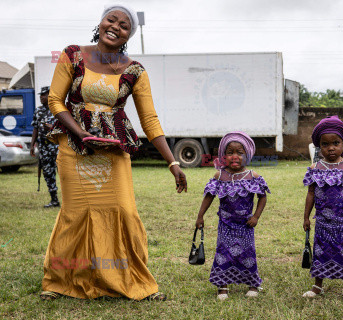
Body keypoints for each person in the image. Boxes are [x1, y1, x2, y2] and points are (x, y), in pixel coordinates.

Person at [40, 4, 187, 301]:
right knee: (75, 214)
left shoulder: (134, 71)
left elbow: (150, 120)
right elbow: (56, 100)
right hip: (74, 148)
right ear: (101, 22)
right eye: (112, 19)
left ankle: (129, 279)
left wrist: (172, 162)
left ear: (129, 35)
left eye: (124, 25)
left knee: (123, 211)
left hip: (113, 151)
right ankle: (59, 281)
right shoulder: (74, 54)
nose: (116, 26)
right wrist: (80, 133)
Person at [195, 132, 270, 300]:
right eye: (230, 152)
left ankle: (253, 284)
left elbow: (263, 197)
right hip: (226, 224)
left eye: (240, 153)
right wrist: (200, 216)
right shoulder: (220, 176)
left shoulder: (253, 176)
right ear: (223, 156)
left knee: (247, 254)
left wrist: (256, 216)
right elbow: (209, 196)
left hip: (246, 225)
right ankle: (223, 286)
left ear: (247, 155)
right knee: (223, 253)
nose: (235, 156)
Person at [302, 116, 343, 302]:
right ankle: (317, 286)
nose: (331, 148)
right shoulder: (316, 168)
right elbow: (311, 194)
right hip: (322, 221)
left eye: (336, 143)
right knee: (321, 251)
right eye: (325, 144)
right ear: (319, 146)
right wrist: (306, 217)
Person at [30, 86, 59, 208]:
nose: (41, 97)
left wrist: (51, 128)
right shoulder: (38, 111)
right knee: (48, 173)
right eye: (40, 95)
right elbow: (35, 128)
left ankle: (70, 201)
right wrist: (32, 145)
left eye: (44, 95)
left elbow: (64, 128)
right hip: (44, 147)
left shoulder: (58, 110)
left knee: (64, 174)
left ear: (50, 95)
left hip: (57, 146)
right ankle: (54, 200)